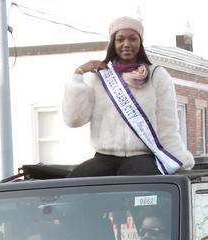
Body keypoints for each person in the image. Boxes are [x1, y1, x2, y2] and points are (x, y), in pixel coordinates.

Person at [63, 17, 194, 177]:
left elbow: (167, 125)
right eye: (120, 39)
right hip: (104, 156)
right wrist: (78, 75)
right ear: (113, 44)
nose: (126, 44)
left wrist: (177, 158)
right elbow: (74, 120)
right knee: (74, 186)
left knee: (141, 189)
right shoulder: (99, 76)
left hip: (143, 156)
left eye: (133, 38)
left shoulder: (157, 75)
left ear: (140, 42)